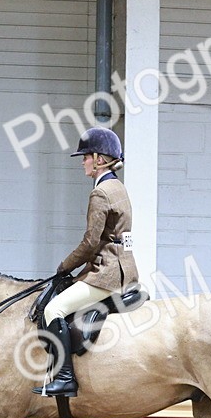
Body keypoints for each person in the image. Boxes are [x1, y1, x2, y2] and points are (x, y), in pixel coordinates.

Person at [34, 126, 138, 398]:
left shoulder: (100, 193)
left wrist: (65, 266)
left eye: (86, 157)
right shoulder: (119, 188)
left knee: (53, 310)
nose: (82, 162)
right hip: (124, 269)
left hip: (107, 272)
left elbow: (91, 242)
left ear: (99, 159)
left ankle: (65, 377)